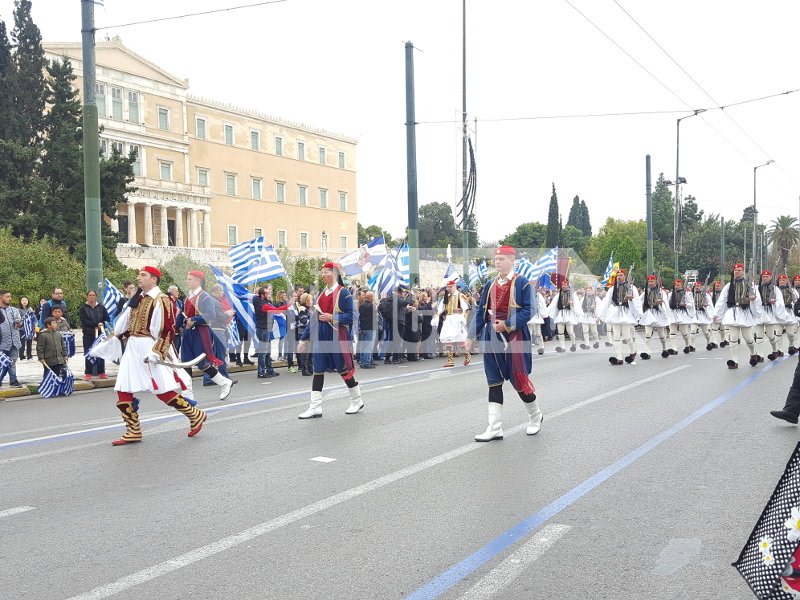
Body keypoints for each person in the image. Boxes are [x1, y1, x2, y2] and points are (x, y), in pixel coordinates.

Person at [92, 267, 206, 446]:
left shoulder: (162, 299)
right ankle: (133, 430)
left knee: (161, 389)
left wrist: (156, 352)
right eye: (139, 274)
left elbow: (168, 330)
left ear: (154, 279)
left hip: (148, 347)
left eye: (143, 275)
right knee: (123, 387)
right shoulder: (138, 298)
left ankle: (194, 414)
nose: (139, 278)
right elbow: (124, 323)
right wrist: (109, 342)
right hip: (132, 347)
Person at [467, 245, 542, 442]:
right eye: (496, 259)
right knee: (494, 381)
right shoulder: (490, 284)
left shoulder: (523, 283)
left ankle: (535, 417)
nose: (497, 262)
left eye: (501, 259)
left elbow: (530, 310)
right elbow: (481, 313)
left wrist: (508, 324)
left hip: (516, 337)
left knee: (519, 381)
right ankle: (494, 428)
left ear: (511, 261)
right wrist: (470, 336)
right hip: (491, 339)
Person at [296, 262, 363, 419]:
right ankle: (315, 407)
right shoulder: (321, 295)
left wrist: (333, 317)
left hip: (337, 337)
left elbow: (353, 316)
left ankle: (357, 400)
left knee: (343, 369)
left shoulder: (344, 293)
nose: (322, 275)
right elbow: (314, 320)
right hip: (321, 337)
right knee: (317, 370)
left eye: (325, 272)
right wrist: (303, 339)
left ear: (333, 273)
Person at [181, 270, 234, 399]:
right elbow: (183, 314)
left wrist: (194, 320)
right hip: (188, 333)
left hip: (201, 333)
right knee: (185, 362)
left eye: (190, 279)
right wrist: (177, 325)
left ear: (198, 281)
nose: (187, 281)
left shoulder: (205, 296)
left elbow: (211, 315)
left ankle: (224, 382)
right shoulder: (188, 297)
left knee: (202, 363)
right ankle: (187, 393)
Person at [712, 263, 761, 369]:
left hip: (745, 312)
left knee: (748, 338)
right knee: (733, 338)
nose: (737, 272)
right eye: (735, 270)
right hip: (733, 312)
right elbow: (722, 300)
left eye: (739, 270)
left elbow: (757, 299)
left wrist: (753, 300)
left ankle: (753, 353)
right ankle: (734, 361)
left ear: (743, 271)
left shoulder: (750, 285)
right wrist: (716, 313)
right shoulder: (729, 285)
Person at [598, 270, 641, 365]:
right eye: (617, 275)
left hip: (626, 312)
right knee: (616, 336)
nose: (619, 277)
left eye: (621, 275)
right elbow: (607, 301)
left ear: (625, 276)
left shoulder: (631, 287)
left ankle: (633, 351)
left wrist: (632, 301)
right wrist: (601, 315)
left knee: (626, 336)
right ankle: (619, 358)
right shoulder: (612, 289)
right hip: (616, 312)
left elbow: (637, 301)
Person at [252, 284, 288, 378]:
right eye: (267, 292)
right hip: (263, 329)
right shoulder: (263, 305)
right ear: (263, 295)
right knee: (263, 352)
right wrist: (289, 305)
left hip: (265, 329)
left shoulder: (264, 301)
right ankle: (261, 372)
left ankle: (270, 370)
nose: (269, 293)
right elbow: (276, 310)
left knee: (267, 352)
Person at [79, 290, 110, 381]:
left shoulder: (101, 307)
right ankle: (88, 373)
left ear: (96, 296)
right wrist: (96, 324)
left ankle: (102, 372)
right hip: (88, 334)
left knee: (101, 353)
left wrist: (102, 325)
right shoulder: (83, 308)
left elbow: (106, 319)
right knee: (89, 353)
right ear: (87, 296)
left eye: (93, 295)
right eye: (90, 295)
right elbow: (84, 321)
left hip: (100, 335)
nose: (91, 297)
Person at [546, 276, 582, 353]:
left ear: (568, 285)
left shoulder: (572, 294)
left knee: (570, 331)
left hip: (569, 314)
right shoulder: (559, 294)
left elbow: (577, 305)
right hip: (560, 314)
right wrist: (547, 311)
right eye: (562, 285)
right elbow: (553, 304)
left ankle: (574, 343)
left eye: (565, 285)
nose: (563, 286)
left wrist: (572, 304)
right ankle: (562, 347)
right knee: (560, 331)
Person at [639, 275, 670, 359]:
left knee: (661, 336)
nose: (650, 283)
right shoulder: (646, 291)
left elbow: (666, 304)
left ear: (656, 282)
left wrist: (661, 304)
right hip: (649, 314)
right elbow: (639, 301)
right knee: (648, 334)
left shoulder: (661, 292)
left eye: (652, 281)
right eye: (649, 281)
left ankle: (664, 348)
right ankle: (646, 352)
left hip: (658, 314)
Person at [0, 290, 23, 387]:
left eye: (10, 296)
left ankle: (13, 380)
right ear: (1, 297)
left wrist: (19, 324)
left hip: (14, 341)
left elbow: (20, 325)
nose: (10, 298)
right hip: (2, 342)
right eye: (7, 296)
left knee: (12, 361)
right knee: (1, 362)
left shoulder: (14, 310)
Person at [668, 279, 695, 354]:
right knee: (672, 332)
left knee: (684, 333)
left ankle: (687, 345)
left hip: (682, 314)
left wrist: (685, 304)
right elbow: (667, 304)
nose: (676, 286)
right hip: (673, 314)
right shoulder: (670, 294)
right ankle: (674, 349)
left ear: (682, 285)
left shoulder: (687, 294)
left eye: (678, 285)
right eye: (675, 285)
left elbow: (691, 304)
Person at [357, 290, 376, 368]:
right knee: (368, 346)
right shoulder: (371, 306)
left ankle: (362, 361)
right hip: (370, 328)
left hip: (363, 327)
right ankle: (366, 363)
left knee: (363, 346)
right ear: (371, 298)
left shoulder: (362, 305)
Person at [18, 297, 37, 361]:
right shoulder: (18, 310)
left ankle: (29, 356)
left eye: (26, 300)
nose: (24, 301)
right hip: (22, 329)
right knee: (22, 343)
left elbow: (33, 318)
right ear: (20, 302)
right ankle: (21, 356)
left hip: (30, 329)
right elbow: (19, 319)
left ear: (28, 301)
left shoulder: (30, 309)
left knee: (29, 342)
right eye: (23, 300)